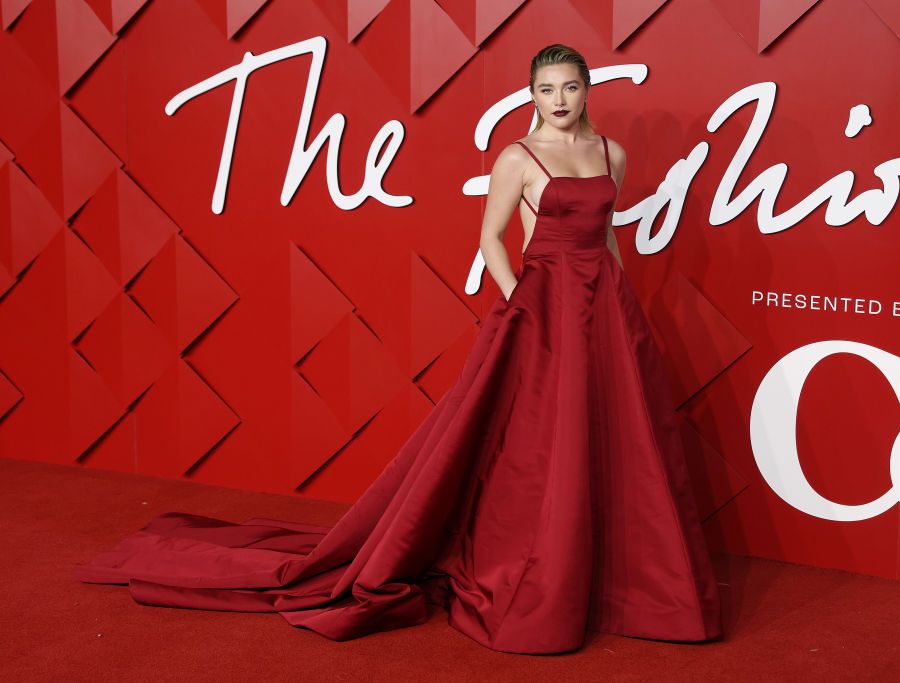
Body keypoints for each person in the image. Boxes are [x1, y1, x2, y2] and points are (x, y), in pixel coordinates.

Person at [74, 44, 723, 655]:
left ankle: (612, 580)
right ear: (530, 94)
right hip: (542, 303)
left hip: (606, 306)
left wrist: (622, 299)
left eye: (571, 88)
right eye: (547, 89)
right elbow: (493, 238)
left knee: (617, 437)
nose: (560, 99)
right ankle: (542, 568)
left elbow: (607, 238)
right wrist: (520, 300)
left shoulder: (609, 154)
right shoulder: (519, 158)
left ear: (586, 92)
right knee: (535, 442)